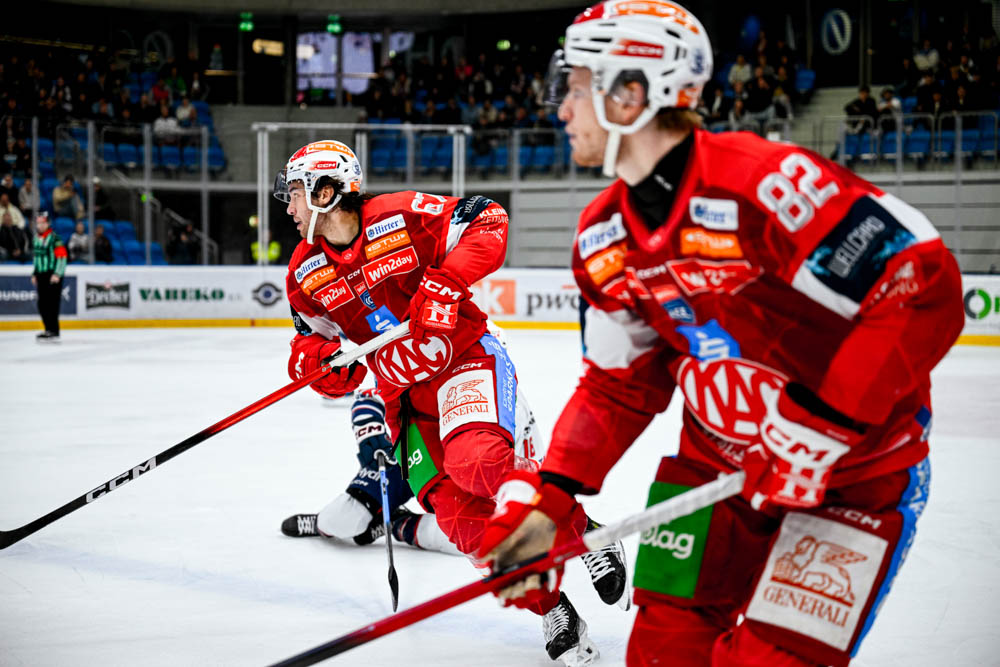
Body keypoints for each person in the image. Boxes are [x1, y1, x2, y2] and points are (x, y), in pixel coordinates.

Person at [477, 3, 965, 667]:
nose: (561, 108)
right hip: (713, 468)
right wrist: (549, 498)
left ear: (630, 93)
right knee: (661, 652)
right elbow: (617, 385)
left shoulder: (765, 183)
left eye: (576, 87)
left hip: (852, 478)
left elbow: (921, 284)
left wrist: (821, 425)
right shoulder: (602, 239)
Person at [273, 139, 628, 665]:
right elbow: (309, 346)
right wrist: (321, 364)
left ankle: (587, 534)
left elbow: (488, 218)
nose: (289, 206)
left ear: (326, 192)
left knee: (477, 463)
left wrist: (444, 283)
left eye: (297, 193)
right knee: (463, 522)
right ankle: (553, 607)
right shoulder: (304, 274)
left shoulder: (401, 216)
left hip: (463, 361)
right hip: (403, 397)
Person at [31, 212, 68, 342]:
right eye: (38, 223)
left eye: (43, 223)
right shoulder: (36, 238)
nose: (40, 225)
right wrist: (34, 273)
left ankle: (54, 331)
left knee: (52, 304)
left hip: (53, 275)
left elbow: (62, 257)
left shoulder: (55, 238)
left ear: (47, 224)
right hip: (41, 275)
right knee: (42, 304)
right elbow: (36, 258)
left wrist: (57, 274)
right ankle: (48, 329)